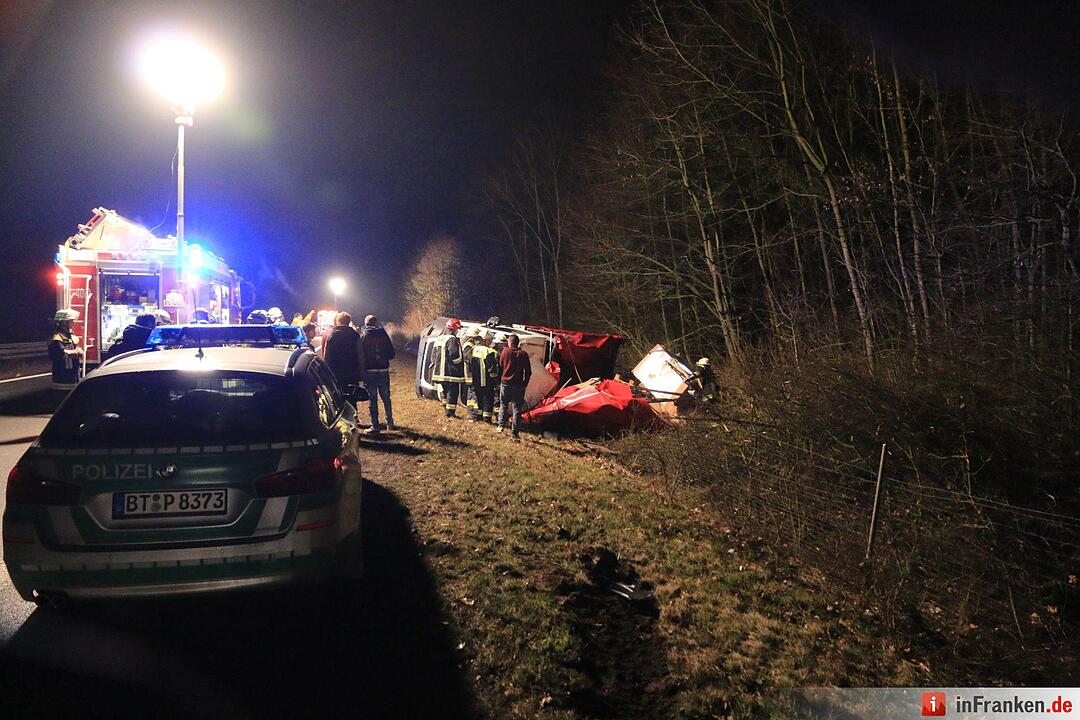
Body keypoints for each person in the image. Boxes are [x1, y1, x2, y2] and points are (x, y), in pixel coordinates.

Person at [360, 314, 396, 434]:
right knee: (386, 398)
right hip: (383, 370)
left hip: (369, 371)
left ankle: (375, 426)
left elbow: (361, 355)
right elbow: (391, 354)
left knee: (372, 398)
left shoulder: (364, 336)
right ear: (376, 323)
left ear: (366, 324)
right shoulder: (383, 334)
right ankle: (390, 423)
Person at [498, 333, 531, 440]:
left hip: (505, 383)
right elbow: (528, 371)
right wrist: (525, 383)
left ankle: (500, 425)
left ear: (509, 342)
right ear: (518, 343)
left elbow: (500, 366)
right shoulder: (523, 354)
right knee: (517, 409)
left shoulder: (505, 352)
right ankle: (515, 432)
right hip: (518, 385)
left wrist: (499, 380)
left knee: (503, 404)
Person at [429, 317, 464, 417]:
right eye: (457, 330)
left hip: (439, 373)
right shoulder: (452, 340)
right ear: (454, 329)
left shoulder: (439, 339)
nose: (458, 332)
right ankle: (450, 414)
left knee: (445, 392)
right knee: (452, 393)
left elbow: (433, 356)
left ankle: (446, 411)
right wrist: (459, 364)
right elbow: (454, 355)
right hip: (450, 373)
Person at [322, 311, 364, 387]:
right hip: (352, 372)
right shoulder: (355, 335)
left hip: (336, 373)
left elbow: (327, 356)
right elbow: (360, 354)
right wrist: (361, 372)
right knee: (352, 395)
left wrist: (327, 373)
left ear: (338, 321)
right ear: (349, 322)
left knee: (339, 395)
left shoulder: (332, 336)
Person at [470, 330, 500, 424]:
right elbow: (492, 369)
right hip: (487, 380)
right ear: (486, 340)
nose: (491, 342)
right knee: (488, 399)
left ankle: (478, 417)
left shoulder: (474, 349)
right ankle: (487, 419)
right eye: (490, 340)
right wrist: (496, 381)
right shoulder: (489, 351)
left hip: (476, 380)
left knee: (479, 399)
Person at [48, 309, 82, 392]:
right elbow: (61, 353)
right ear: (64, 323)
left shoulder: (70, 336)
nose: (73, 323)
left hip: (73, 378)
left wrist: (79, 350)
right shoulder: (57, 338)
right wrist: (75, 352)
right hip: (62, 380)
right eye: (71, 321)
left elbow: (77, 348)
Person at [460, 326, 481, 417]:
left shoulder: (471, 344)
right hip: (470, 373)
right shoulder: (468, 345)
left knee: (472, 392)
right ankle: (473, 413)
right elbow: (467, 358)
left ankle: (472, 411)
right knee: (473, 393)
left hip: (472, 373)